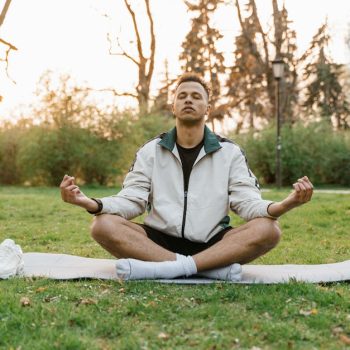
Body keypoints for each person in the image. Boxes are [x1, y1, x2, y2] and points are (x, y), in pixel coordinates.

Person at [60, 73, 313, 281]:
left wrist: (285, 205)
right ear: (173, 107)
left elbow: (247, 203)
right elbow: (132, 200)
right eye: (182, 96)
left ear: (208, 108)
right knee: (102, 225)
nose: (188, 100)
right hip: (157, 243)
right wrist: (90, 204)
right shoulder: (152, 150)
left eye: (195, 96)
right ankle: (205, 269)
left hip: (213, 243)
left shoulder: (230, 153)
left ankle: (171, 268)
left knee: (269, 230)